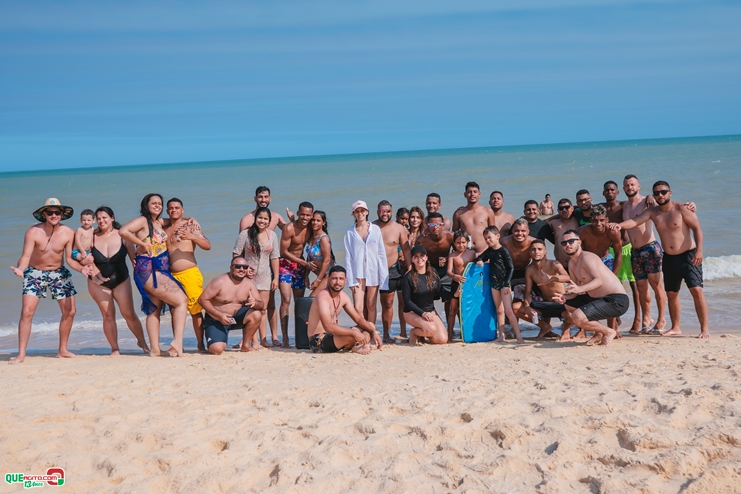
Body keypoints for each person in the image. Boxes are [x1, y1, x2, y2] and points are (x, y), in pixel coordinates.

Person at [618, 181, 709, 338]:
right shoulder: (653, 212)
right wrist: (619, 226)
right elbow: (635, 221)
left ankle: (705, 329)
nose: (660, 195)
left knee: (696, 291)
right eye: (657, 193)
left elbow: (697, 229)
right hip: (669, 257)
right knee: (672, 293)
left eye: (663, 192)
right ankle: (676, 327)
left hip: (688, 255)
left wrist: (699, 251)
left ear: (670, 193)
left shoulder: (682, 208)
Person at [10, 198, 89, 364]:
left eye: (57, 212)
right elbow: (25, 256)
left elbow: (69, 259)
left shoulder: (68, 232)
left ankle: (63, 350)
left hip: (58, 272)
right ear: (44, 214)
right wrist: (21, 269)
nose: (54, 215)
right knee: (27, 312)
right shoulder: (33, 232)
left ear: (62, 214)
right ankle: (21, 354)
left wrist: (81, 268)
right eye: (50, 212)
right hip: (35, 273)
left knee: (70, 311)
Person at [119, 193, 188, 358]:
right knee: (181, 300)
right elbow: (123, 231)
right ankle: (178, 342)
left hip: (159, 269)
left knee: (154, 309)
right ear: (146, 205)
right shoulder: (143, 220)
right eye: (154, 203)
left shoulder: (158, 222)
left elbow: (175, 218)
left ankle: (155, 350)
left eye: (159, 203)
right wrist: (142, 244)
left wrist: (189, 219)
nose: (157, 205)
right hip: (149, 269)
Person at [87, 206, 150, 355]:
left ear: (112, 218)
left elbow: (135, 260)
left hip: (121, 280)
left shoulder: (123, 235)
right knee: (108, 315)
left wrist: (146, 278)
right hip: (98, 283)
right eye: (99, 218)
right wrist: (93, 272)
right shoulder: (91, 236)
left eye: (104, 217)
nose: (101, 221)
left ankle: (143, 343)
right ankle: (115, 348)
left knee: (129, 314)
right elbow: (83, 256)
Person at [553, 230, 630, 346]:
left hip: (616, 300)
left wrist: (580, 289)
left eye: (571, 241)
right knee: (569, 305)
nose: (567, 245)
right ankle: (599, 333)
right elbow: (575, 292)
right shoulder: (572, 263)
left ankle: (608, 332)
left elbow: (598, 281)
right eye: (564, 243)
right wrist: (564, 297)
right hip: (598, 299)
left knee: (577, 317)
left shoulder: (587, 257)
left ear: (579, 242)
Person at [237, 186, 289, 350]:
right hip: (249, 270)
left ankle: (271, 337)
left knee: (268, 305)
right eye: (260, 197)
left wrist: (293, 221)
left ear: (270, 198)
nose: (263, 199)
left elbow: (289, 233)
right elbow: (240, 250)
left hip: (267, 270)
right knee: (249, 305)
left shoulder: (276, 219)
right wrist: (243, 269)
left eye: (266, 197)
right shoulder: (246, 220)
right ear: (255, 198)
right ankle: (248, 339)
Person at [164, 198, 211, 353]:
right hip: (171, 275)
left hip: (189, 273)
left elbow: (207, 245)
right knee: (174, 310)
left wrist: (193, 237)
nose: (174, 210)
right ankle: (178, 344)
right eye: (171, 208)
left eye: (177, 207)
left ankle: (200, 345)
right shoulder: (164, 229)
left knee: (195, 310)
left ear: (182, 210)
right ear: (167, 211)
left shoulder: (190, 226)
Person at [233, 206, 281, 346]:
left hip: (265, 277)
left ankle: (264, 340)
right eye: (260, 218)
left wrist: (276, 277)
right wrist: (244, 268)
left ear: (269, 221)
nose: (262, 221)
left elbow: (275, 257)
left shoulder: (272, 236)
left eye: (265, 219)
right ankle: (253, 341)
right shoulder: (245, 234)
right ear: (255, 219)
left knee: (263, 309)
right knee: (250, 308)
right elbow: (236, 254)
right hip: (248, 278)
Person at [307, 265, 382, 354]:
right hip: (318, 341)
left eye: (341, 279)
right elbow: (328, 327)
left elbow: (358, 319)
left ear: (345, 280)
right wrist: (354, 332)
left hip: (334, 336)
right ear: (328, 279)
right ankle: (358, 345)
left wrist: (374, 332)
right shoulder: (322, 297)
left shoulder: (343, 297)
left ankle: (357, 346)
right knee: (353, 334)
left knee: (370, 325)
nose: (338, 282)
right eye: (334, 278)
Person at [198, 257, 265, 355]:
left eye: (245, 267)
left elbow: (262, 305)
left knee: (256, 314)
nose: (241, 269)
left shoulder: (249, 284)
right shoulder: (220, 281)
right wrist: (219, 315)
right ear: (231, 268)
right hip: (216, 320)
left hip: (235, 319)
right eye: (238, 266)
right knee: (216, 350)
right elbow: (202, 300)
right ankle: (216, 339)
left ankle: (245, 345)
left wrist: (255, 302)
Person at [601, 181, 642, 333]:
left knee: (634, 284)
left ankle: (637, 319)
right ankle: (615, 318)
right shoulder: (601, 208)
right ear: (603, 193)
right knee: (613, 285)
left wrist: (651, 197)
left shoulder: (623, 205)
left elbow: (640, 201)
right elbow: (579, 208)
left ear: (618, 192)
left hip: (627, 248)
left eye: (612, 190)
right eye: (607, 190)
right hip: (611, 250)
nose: (610, 192)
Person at [474, 226, 525, 344]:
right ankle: (501, 336)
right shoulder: (490, 251)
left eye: (489, 237)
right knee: (499, 310)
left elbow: (511, 268)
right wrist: (479, 260)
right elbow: (480, 257)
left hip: (504, 284)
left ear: (497, 236)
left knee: (508, 310)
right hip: (494, 283)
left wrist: (506, 284)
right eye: (485, 238)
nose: (488, 240)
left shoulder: (504, 251)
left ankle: (519, 336)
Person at [344, 200, 389, 327]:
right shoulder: (350, 232)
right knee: (358, 307)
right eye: (357, 211)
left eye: (362, 211)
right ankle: (364, 330)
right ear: (353, 214)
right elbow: (348, 257)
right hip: (357, 274)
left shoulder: (375, 229)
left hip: (373, 272)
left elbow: (381, 253)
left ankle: (371, 331)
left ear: (367, 212)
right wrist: (350, 280)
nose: (360, 213)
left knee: (371, 305)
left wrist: (384, 277)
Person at [374, 201, 411, 344]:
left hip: (392, 270)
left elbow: (406, 249)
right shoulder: (372, 227)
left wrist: (409, 267)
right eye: (382, 211)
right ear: (377, 212)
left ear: (392, 212)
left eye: (388, 211)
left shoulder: (399, 228)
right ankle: (371, 332)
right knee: (371, 303)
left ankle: (387, 334)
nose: (385, 214)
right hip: (374, 270)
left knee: (389, 303)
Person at [278, 201, 314, 348]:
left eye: (308, 215)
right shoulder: (289, 228)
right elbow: (283, 252)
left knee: (299, 303)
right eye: (302, 214)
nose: (305, 217)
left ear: (311, 216)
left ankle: (300, 337)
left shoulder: (311, 229)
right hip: (285, 266)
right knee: (286, 300)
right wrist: (304, 263)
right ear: (298, 213)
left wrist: (306, 272)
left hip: (301, 268)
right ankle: (285, 338)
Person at [521, 240, 571, 340]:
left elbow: (567, 277)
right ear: (530, 252)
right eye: (533, 249)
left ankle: (566, 329)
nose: (536, 252)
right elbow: (527, 292)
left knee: (573, 312)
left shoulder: (554, 264)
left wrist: (552, 278)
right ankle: (545, 327)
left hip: (561, 303)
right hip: (546, 303)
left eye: (540, 249)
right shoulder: (530, 270)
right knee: (516, 308)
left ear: (545, 252)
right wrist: (527, 306)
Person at [415, 212, 455, 336]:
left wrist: (449, 260)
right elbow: (417, 257)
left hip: (447, 271)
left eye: (438, 224)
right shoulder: (422, 240)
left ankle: (450, 330)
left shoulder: (450, 236)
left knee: (450, 300)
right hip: (430, 271)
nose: (435, 227)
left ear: (443, 224)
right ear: (427, 225)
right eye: (432, 224)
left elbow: (460, 250)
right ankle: (428, 327)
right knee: (426, 300)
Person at [402, 246, 448, 345]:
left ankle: (423, 331)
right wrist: (423, 314)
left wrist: (454, 293)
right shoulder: (408, 277)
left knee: (442, 340)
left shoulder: (433, 273)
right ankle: (414, 332)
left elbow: (439, 292)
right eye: (416, 257)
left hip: (430, 311)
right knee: (431, 329)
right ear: (412, 259)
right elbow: (407, 301)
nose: (419, 259)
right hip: (412, 312)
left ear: (426, 257)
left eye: (422, 256)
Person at [452, 181, 496, 254]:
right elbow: (454, 236)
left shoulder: (488, 211)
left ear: (479, 194)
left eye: (475, 192)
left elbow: (493, 234)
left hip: (484, 252)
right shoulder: (458, 213)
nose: (472, 194)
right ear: (465, 194)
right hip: (465, 253)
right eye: (469, 192)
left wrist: (492, 253)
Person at [446, 230, 475, 340]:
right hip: (456, 284)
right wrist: (455, 276)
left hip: (469, 285)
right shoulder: (452, 255)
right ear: (454, 243)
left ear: (467, 242)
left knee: (468, 309)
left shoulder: (472, 253)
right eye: (458, 243)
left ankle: (466, 334)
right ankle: (449, 335)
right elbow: (448, 272)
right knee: (452, 310)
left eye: (463, 242)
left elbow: (477, 267)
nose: (461, 245)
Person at [577, 205, 623, 275]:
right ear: (591, 220)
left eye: (602, 220)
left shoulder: (613, 232)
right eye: (595, 221)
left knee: (611, 281)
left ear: (607, 220)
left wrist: (614, 275)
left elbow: (618, 254)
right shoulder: (582, 232)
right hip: (588, 260)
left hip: (606, 259)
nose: (598, 224)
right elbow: (575, 252)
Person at [500, 218, 536, 301]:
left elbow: (543, 262)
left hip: (526, 272)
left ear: (528, 231)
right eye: (516, 231)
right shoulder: (504, 242)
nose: (520, 233)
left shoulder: (533, 242)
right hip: (509, 273)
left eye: (523, 231)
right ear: (512, 231)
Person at [304, 210, 335, 296]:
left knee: (311, 299)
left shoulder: (323, 238)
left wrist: (318, 280)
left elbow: (327, 261)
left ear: (323, 223)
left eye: (318, 220)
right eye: (313, 220)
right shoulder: (311, 237)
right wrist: (306, 276)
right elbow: (309, 258)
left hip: (328, 276)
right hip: (321, 277)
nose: (315, 222)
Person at [547, 198, 580, 267]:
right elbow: (538, 224)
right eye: (561, 208)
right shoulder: (553, 223)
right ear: (558, 211)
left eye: (567, 207)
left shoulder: (578, 220)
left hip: (577, 265)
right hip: (559, 265)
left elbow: (587, 209)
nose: (564, 210)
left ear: (572, 208)